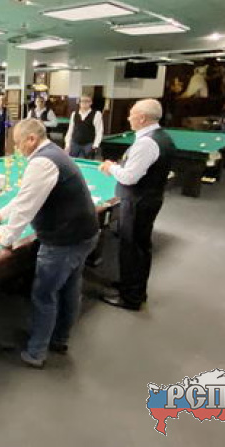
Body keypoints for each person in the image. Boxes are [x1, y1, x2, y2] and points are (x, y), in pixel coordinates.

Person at [0, 119, 99, 369]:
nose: (17, 149)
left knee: (44, 295)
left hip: (64, 240)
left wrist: (6, 238)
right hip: (85, 233)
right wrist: (2, 213)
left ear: (31, 139)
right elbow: (26, 195)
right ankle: (60, 339)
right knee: (70, 287)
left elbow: (26, 205)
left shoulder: (41, 162)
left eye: (18, 143)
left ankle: (36, 352)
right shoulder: (54, 152)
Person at [99, 99, 175, 311]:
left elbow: (129, 177)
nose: (128, 117)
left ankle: (130, 297)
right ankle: (132, 286)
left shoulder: (146, 143)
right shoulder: (162, 136)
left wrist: (110, 167)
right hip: (148, 199)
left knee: (132, 248)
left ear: (142, 118)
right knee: (139, 247)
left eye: (131, 114)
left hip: (138, 201)